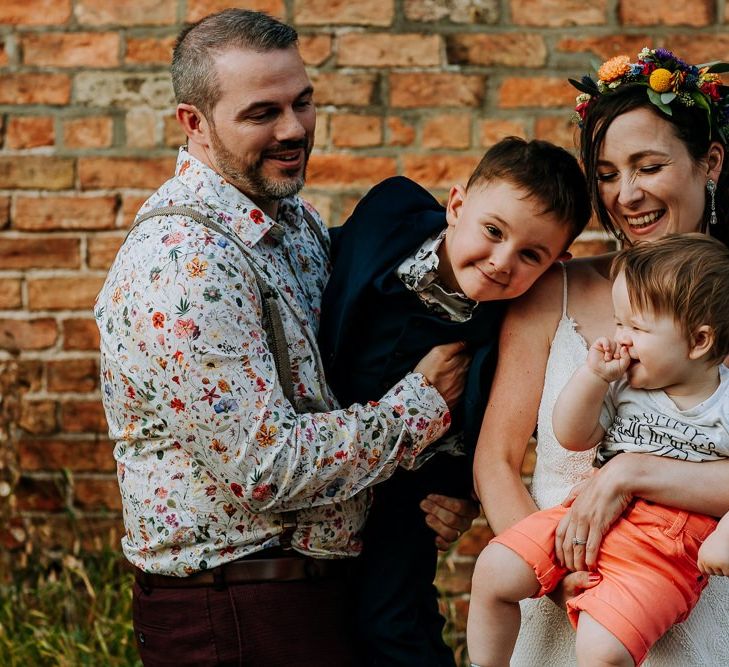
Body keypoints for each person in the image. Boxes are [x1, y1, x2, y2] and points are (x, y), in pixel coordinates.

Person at [95, 9, 472, 666]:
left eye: (302, 102)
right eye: (261, 112)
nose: (294, 128)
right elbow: (268, 467)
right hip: (235, 614)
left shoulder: (292, 224)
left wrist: (443, 483)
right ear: (194, 123)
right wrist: (421, 408)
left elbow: (344, 388)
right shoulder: (184, 264)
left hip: (318, 597)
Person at [473, 47, 729, 666]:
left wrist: (628, 472)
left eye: (649, 166)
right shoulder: (553, 291)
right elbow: (498, 461)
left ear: (710, 163)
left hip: (694, 596)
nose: (627, 194)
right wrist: (552, 579)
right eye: (609, 173)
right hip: (561, 588)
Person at [319, 137, 592, 665]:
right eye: (493, 231)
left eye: (531, 255)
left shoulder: (513, 324)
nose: (500, 261)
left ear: (557, 263)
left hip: (409, 494)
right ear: (457, 203)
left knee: (395, 626)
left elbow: (498, 426)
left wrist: (463, 494)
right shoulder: (389, 222)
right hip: (318, 463)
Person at [469, 235, 729, 667]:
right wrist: (592, 378)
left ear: (699, 341)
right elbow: (573, 435)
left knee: (600, 650)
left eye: (637, 328)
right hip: (582, 517)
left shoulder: (724, 405)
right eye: (618, 322)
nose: (621, 339)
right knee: (493, 571)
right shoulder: (624, 383)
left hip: (664, 546)